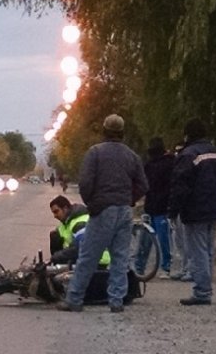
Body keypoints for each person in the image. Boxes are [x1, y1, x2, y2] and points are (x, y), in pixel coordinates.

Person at [57, 113, 148, 313]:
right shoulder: (132, 156)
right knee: (120, 258)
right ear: (122, 133)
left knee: (88, 256)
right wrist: (129, 199)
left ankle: (74, 299)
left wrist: (92, 203)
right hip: (124, 211)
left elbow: (86, 183)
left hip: (102, 210)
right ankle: (116, 301)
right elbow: (143, 184)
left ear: (104, 131)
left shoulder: (95, 153)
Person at [168, 118, 216, 306]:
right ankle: (206, 286)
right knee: (208, 249)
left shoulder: (188, 155)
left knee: (197, 251)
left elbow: (180, 186)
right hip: (214, 208)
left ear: (188, 134)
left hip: (195, 211)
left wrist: (173, 211)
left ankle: (202, 291)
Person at [139, 137, 174, 279]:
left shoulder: (149, 165)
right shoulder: (171, 162)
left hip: (155, 207)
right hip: (161, 207)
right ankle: (165, 267)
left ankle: (140, 266)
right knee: (162, 239)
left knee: (147, 239)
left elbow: (144, 186)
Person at [49, 195, 109, 267]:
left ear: (65, 208)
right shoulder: (64, 225)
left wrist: (56, 257)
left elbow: (79, 248)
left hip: (98, 262)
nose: (54, 216)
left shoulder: (80, 223)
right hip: (83, 259)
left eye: (56, 211)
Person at [169, 142, 192, 282]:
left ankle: (190, 269)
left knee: (188, 241)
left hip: (186, 208)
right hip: (178, 208)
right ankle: (184, 268)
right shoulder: (176, 165)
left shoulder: (186, 164)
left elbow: (181, 188)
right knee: (179, 242)